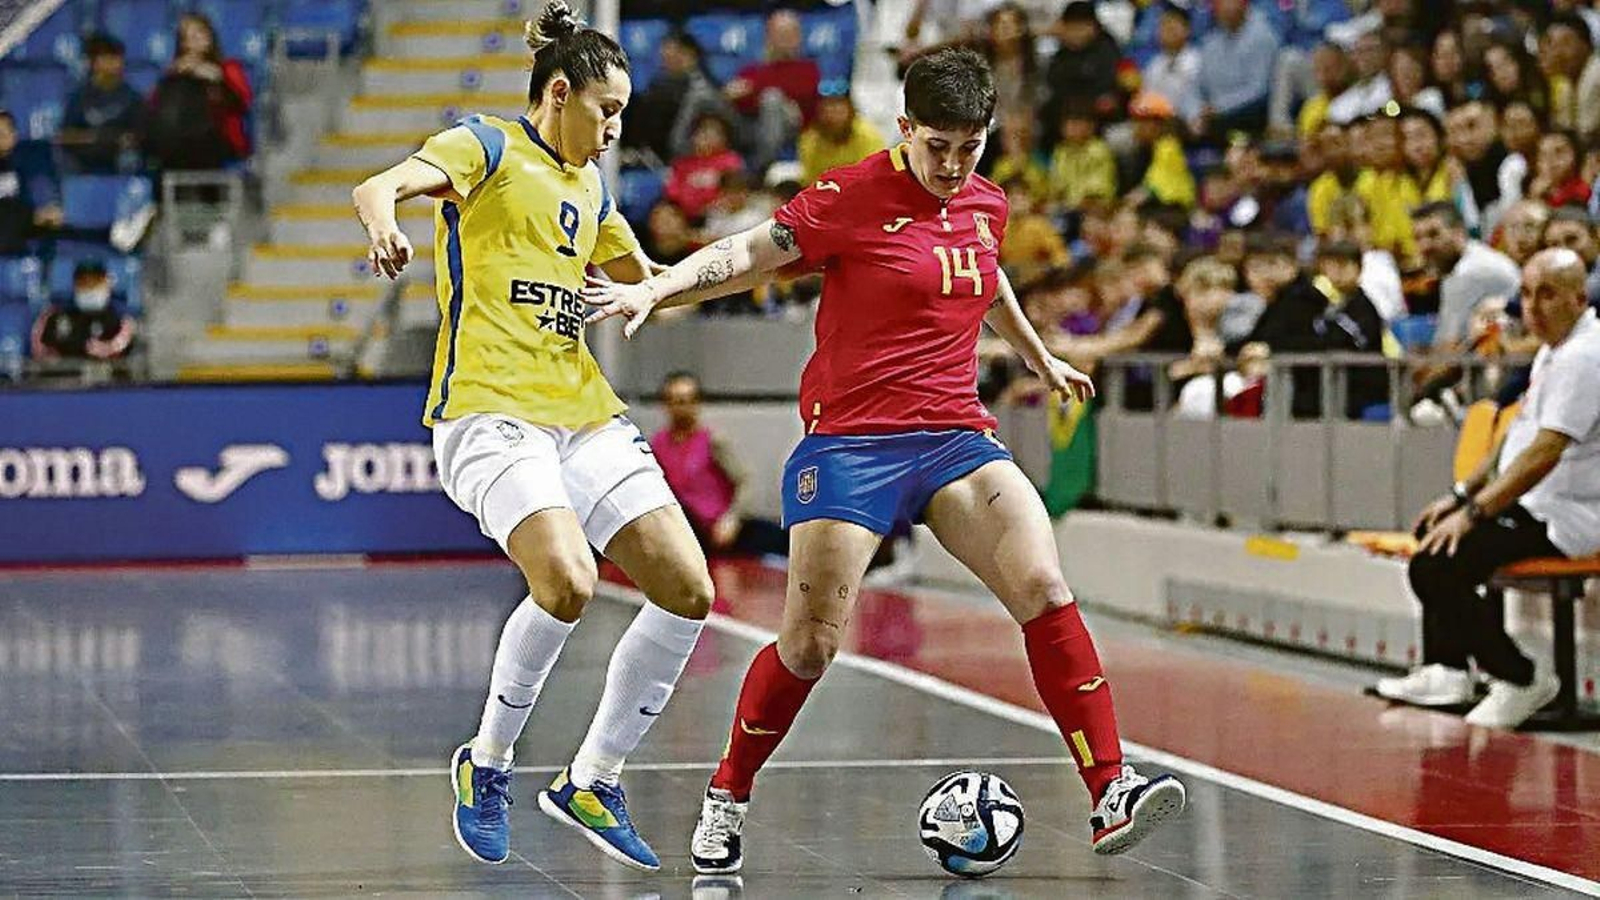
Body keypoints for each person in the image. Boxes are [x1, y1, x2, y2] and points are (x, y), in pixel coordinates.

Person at [583, 48, 1186, 873]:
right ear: (905, 128)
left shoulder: (986, 201)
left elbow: (987, 275)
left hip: (953, 438)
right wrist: (658, 289)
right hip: (851, 444)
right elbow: (752, 252)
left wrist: (1040, 356)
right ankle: (727, 793)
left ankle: (1110, 789)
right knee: (809, 647)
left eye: (968, 149)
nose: (950, 165)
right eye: (936, 145)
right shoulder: (850, 196)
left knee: (1045, 587)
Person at [349, 2, 716, 872]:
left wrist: (773, 258)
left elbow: (653, 285)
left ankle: (594, 777)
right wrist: (385, 225)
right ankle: (488, 763)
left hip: (581, 411)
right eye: (608, 110)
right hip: (487, 409)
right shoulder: (486, 147)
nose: (617, 127)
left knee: (690, 590)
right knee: (567, 582)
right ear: (560, 93)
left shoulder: (592, 188)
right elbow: (376, 187)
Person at [1377, 248, 1600, 729]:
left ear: (1579, 298)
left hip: (1569, 516)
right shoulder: (1554, 349)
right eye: (1526, 293)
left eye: (1548, 294)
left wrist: (1474, 513)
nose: (1533, 307)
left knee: (1437, 566)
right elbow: (1513, 438)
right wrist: (1460, 496)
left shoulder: (1585, 357)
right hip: (1535, 505)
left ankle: (1521, 678)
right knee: (1437, 538)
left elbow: (1544, 453)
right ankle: (1448, 669)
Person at [650, 371, 784, 555]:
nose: (681, 407)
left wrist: (732, 518)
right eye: (674, 400)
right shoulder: (658, 444)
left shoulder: (712, 441)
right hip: (688, 529)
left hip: (722, 527)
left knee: (777, 539)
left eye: (687, 400)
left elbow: (744, 480)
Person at [146, 13, 252, 171]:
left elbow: (242, 105)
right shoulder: (174, 74)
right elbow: (153, 107)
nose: (196, 38)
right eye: (189, 36)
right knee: (179, 87)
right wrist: (173, 75)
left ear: (210, 36)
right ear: (183, 44)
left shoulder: (229, 68)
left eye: (200, 32)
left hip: (219, 140)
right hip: (178, 141)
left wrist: (218, 80)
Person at [1412, 201, 1524, 349]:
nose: (1425, 246)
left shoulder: (1469, 272)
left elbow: (1449, 356)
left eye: (1434, 234)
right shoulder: (1472, 259)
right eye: (1418, 238)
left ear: (1459, 232)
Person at [58, 35, 145, 174]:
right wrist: (95, 137)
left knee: (131, 159)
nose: (114, 64)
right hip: (84, 162)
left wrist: (125, 140)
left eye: (116, 58)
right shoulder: (79, 97)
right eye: (107, 58)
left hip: (119, 160)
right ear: (94, 62)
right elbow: (65, 135)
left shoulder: (132, 97)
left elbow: (140, 134)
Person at [30, 259, 135, 362]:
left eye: (96, 283)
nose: (90, 288)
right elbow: (43, 354)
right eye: (84, 282)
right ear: (75, 286)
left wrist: (108, 349)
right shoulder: (57, 318)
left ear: (107, 284)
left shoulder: (120, 321)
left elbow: (128, 355)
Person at [0, 110, 62, 257]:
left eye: (4, 133)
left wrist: (42, 213)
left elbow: (46, 211)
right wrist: (31, 215)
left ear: (14, 136)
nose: (0, 138)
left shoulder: (33, 163)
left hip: (19, 232)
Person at [797, 91, 886, 184]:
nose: (832, 118)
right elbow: (811, 180)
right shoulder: (811, 140)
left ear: (851, 113)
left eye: (839, 112)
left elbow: (873, 176)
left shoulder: (868, 136)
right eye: (827, 112)